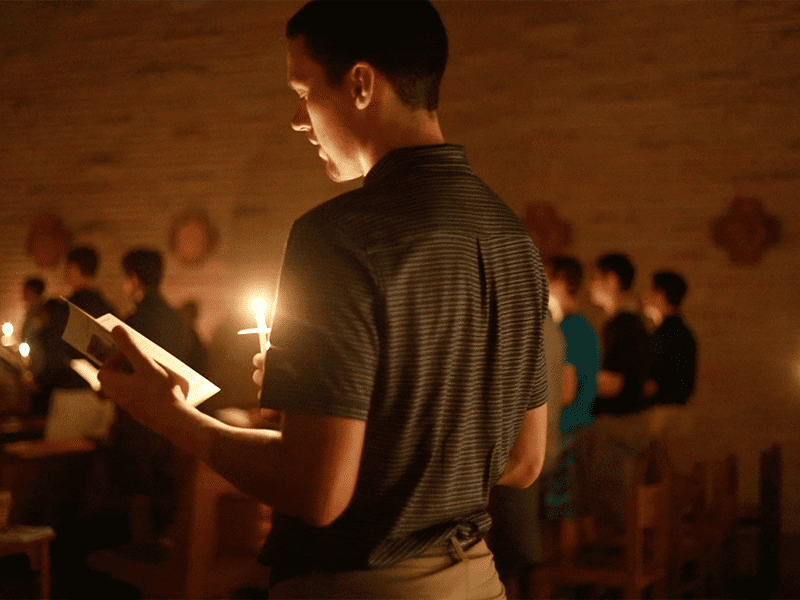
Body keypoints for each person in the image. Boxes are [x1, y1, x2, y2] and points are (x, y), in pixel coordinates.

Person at [99, 3, 549, 599]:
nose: (297, 118)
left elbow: (317, 494)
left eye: (304, 91)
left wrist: (170, 416)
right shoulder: (511, 238)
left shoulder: (337, 235)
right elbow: (523, 461)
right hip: (478, 580)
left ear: (361, 85)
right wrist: (361, 407)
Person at [543, 256, 600, 557]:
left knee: (563, 509)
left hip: (569, 428)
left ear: (563, 281)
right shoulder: (584, 327)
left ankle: (563, 581)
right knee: (579, 506)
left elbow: (565, 391)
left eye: (546, 276)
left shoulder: (569, 329)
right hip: (582, 424)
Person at [588, 253, 649, 416]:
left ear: (612, 280)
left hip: (616, 418)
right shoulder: (630, 321)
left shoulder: (622, 325)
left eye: (594, 278)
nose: (589, 285)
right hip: (627, 415)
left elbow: (612, 382)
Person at [641, 271, 697, 407]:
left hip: (661, 412)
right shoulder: (682, 332)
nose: (644, 296)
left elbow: (653, 381)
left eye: (650, 291)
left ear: (661, 295)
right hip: (675, 409)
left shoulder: (665, 334)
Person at [65, 246, 116, 318]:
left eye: (68, 268)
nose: (65, 273)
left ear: (76, 268)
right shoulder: (105, 306)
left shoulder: (71, 306)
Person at [20, 277, 46, 345]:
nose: (23, 292)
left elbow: (33, 334)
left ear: (33, 291)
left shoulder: (40, 311)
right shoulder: (31, 310)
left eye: (26, 290)